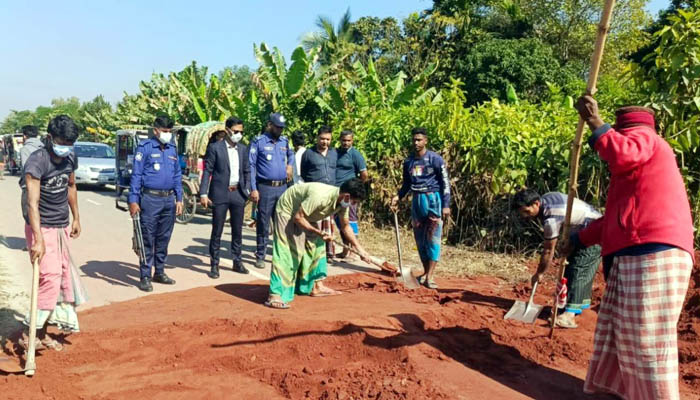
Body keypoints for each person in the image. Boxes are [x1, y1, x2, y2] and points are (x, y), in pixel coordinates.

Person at [572, 96, 694, 400]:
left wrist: (595, 121)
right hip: (640, 250)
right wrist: (577, 240)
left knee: (647, 339)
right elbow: (614, 219)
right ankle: (628, 393)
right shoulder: (634, 174)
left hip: (652, 250)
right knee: (625, 335)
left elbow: (623, 152)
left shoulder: (645, 140)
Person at [21, 115, 87, 351]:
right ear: (50, 138)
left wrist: (76, 217)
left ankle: (42, 332)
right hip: (41, 225)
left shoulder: (70, 157)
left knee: (61, 278)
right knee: (49, 276)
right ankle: (30, 332)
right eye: (62, 143)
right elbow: (32, 203)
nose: (66, 148)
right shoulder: (37, 162)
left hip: (62, 225)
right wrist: (38, 239)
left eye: (70, 144)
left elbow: (71, 186)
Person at [265, 179, 372, 309]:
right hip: (288, 210)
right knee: (286, 251)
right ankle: (275, 294)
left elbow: (345, 226)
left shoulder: (343, 203)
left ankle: (316, 285)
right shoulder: (319, 196)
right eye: (354, 202)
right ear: (347, 196)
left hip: (308, 215)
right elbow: (298, 217)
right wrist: (317, 231)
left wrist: (360, 250)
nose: (353, 204)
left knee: (318, 246)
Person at [513, 189, 602, 329]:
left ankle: (569, 316)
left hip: (594, 231)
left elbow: (549, 250)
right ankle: (573, 306)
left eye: (527, 211)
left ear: (536, 203)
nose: (525, 216)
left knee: (578, 269)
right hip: (584, 231)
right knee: (571, 268)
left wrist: (539, 273)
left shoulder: (551, 218)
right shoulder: (547, 198)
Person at [391, 127, 451, 289]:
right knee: (420, 239)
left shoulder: (435, 159)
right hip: (417, 200)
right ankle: (425, 272)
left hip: (433, 200)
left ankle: (430, 276)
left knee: (433, 238)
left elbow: (445, 183)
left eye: (419, 140)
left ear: (425, 141)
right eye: (414, 140)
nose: (416, 143)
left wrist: (446, 205)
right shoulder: (408, 162)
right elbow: (406, 184)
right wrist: (398, 196)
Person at [128, 115, 183, 292]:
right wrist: (133, 200)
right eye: (165, 131)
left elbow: (177, 175)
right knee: (147, 238)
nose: (168, 134)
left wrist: (179, 198)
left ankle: (159, 271)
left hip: (168, 199)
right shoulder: (145, 148)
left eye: (170, 131)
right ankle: (145, 275)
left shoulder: (172, 149)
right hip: (150, 199)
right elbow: (136, 175)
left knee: (164, 238)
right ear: (156, 130)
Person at [199, 118, 251, 279]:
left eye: (241, 132)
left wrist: (247, 189)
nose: (239, 134)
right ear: (227, 130)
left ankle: (237, 261)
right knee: (217, 230)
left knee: (237, 230)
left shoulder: (243, 149)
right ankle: (214, 264)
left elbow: (247, 171)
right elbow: (207, 170)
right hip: (220, 193)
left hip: (237, 193)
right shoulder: (215, 148)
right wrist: (203, 193)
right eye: (236, 131)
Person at [249, 113, 294, 269]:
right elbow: (251, 166)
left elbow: (291, 154)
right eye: (277, 127)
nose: (280, 130)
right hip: (265, 188)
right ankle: (260, 255)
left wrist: (290, 165)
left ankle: (280, 255)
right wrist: (253, 188)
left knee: (282, 223)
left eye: (282, 128)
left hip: (282, 188)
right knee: (263, 223)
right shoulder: (259, 142)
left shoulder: (284, 141)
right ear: (270, 125)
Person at [300, 126, 338, 260]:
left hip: (330, 195)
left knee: (328, 225)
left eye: (328, 139)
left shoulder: (334, 153)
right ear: (317, 138)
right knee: (315, 223)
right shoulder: (308, 154)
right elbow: (303, 173)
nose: (325, 142)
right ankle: (313, 251)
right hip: (314, 196)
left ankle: (329, 252)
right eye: (322, 139)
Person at [334, 130, 369, 259]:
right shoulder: (336, 153)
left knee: (350, 220)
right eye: (344, 140)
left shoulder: (355, 154)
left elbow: (364, 175)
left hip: (349, 195)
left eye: (348, 140)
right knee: (339, 221)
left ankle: (354, 251)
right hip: (337, 193)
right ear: (340, 140)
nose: (346, 143)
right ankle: (345, 250)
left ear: (352, 141)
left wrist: (355, 187)